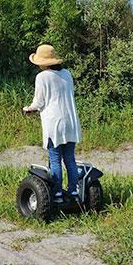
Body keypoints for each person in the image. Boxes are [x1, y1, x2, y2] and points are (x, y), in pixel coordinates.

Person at [22, 44, 82, 202]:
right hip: (71, 121)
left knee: (55, 159)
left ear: (43, 62)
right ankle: (73, 192)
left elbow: (39, 102)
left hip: (54, 122)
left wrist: (29, 109)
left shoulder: (42, 77)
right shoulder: (67, 74)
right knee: (70, 158)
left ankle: (57, 194)